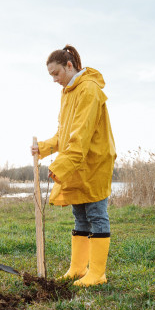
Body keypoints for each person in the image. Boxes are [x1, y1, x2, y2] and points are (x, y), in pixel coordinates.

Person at [32, 45, 116, 287]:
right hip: (76, 162)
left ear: (69, 66)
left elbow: (81, 136)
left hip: (94, 161)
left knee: (96, 215)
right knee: (79, 215)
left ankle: (97, 274)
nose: (54, 80)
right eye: (51, 76)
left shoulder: (89, 90)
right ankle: (78, 269)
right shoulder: (68, 92)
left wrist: (60, 165)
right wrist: (45, 148)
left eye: (56, 74)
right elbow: (64, 134)